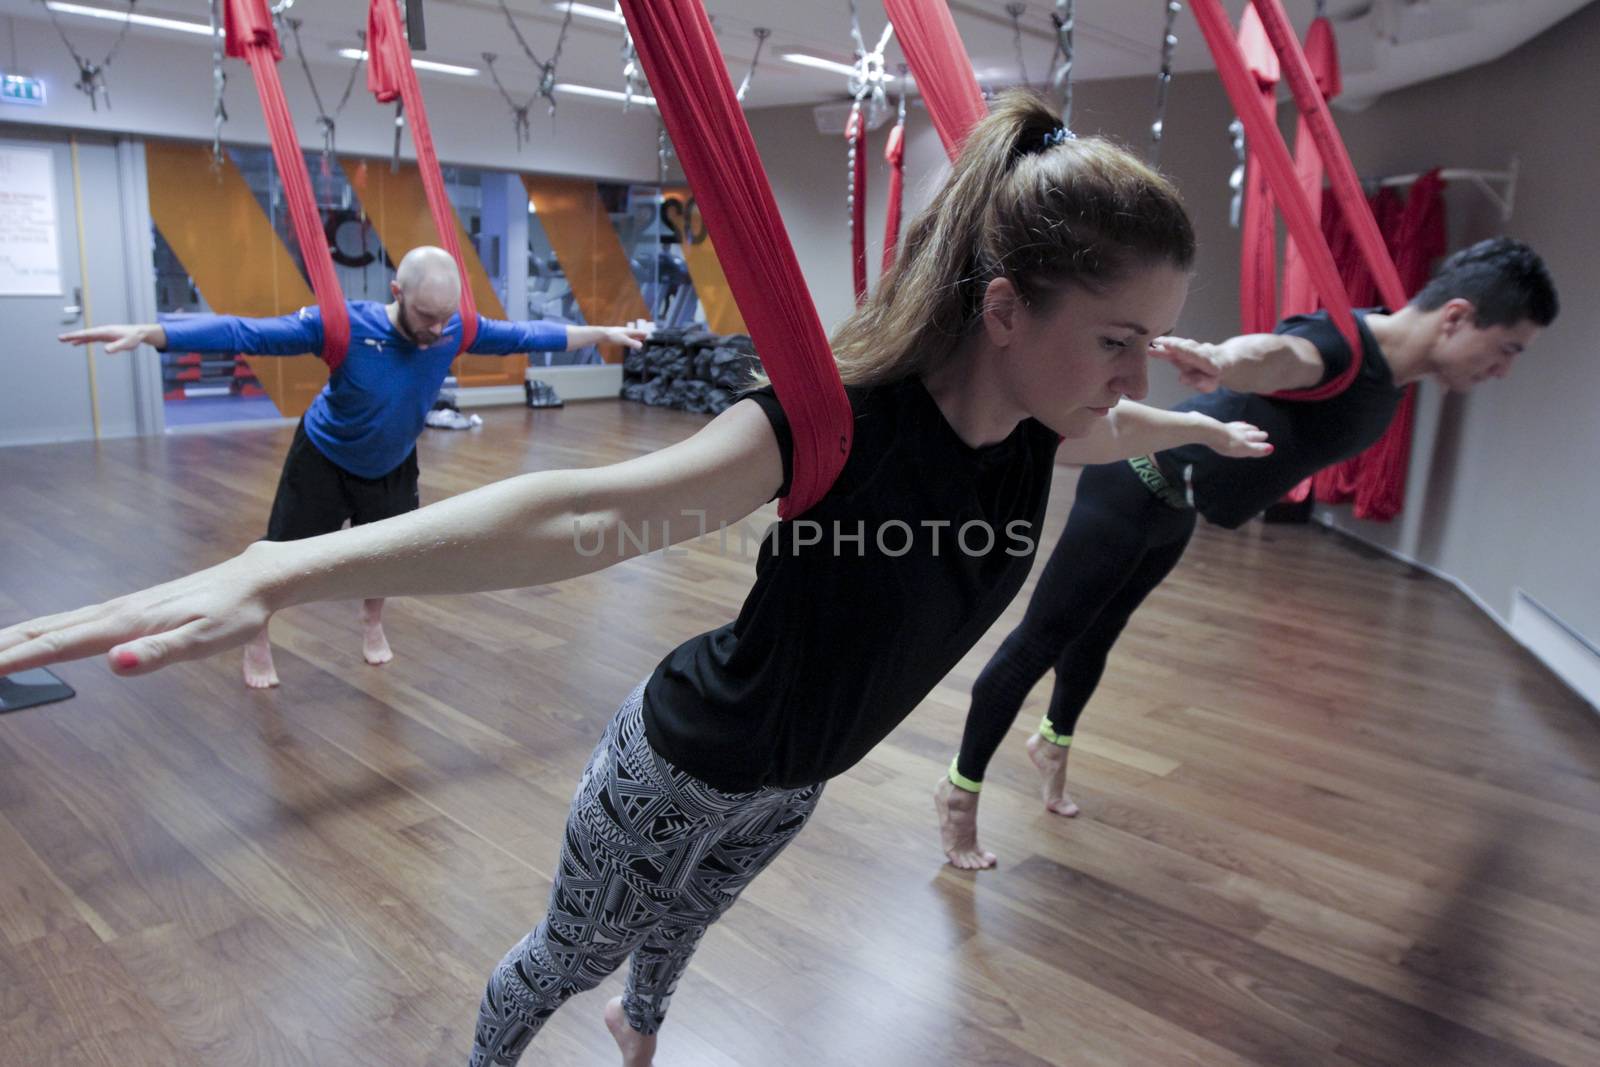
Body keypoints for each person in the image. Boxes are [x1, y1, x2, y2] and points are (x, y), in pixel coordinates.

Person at [6, 94, 1267, 1065]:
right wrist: (289, 567)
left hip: (789, 785)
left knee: (680, 934)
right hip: (680, 763)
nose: (1132, 377)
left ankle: (641, 1029)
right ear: (1003, 312)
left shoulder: (1046, 434)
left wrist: (1200, 431)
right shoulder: (837, 429)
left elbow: (1122, 433)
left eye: (1146, 345)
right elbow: (583, 511)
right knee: (569, 951)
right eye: (1117, 342)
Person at [935, 236, 1559, 870]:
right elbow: (1279, 355)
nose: (1503, 369)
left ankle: (1052, 745)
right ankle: (959, 793)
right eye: (1507, 349)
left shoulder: (1389, 357)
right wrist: (1223, 360)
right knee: (1040, 643)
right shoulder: (1344, 346)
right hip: (1129, 488)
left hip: (1174, 509)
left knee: (1096, 639)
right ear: (1456, 316)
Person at [59, 246, 650, 689]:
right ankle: (256, 636)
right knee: (279, 561)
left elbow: (526, 332)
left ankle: (372, 623)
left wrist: (600, 331)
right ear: (396, 290)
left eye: (445, 318)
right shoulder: (343, 325)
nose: (435, 331)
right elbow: (247, 332)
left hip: (391, 464)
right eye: (424, 315)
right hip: (324, 457)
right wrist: (153, 333)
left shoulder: (455, 329)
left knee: (388, 559)